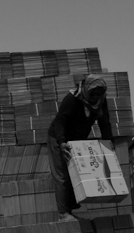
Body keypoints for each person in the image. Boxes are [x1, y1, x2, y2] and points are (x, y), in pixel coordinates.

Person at [48, 75, 113, 222]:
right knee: (62, 175)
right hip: (59, 137)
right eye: (93, 94)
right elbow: (60, 121)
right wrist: (61, 142)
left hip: (77, 140)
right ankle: (63, 214)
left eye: (98, 94)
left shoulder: (101, 102)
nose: (95, 97)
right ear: (85, 90)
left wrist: (108, 144)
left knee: (74, 174)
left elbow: (105, 123)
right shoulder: (72, 99)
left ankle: (70, 211)